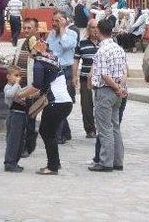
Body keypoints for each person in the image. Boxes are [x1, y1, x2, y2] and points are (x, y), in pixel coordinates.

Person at [18, 40, 73, 175]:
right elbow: (44, 86)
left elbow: (36, 86)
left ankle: (52, 166)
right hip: (65, 102)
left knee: (46, 132)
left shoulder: (38, 63)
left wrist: (20, 94)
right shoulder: (52, 59)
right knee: (50, 133)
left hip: (56, 103)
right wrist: (30, 95)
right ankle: (55, 163)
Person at [88, 19, 127, 172]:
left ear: (98, 31)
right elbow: (124, 71)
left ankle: (106, 162)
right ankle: (118, 160)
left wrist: (115, 87)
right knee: (115, 126)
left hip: (105, 90)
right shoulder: (119, 49)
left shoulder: (102, 51)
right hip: (117, 91)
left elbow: (104, 75)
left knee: (105, 128)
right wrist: (120, 87)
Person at [46, 10, 78, 144]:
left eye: (58, 20)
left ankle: (59, 134)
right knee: (55, 101)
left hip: (66, 71)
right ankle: (65, 132)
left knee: (63, 102)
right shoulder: (51, 34)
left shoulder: (72, 34)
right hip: (53, 69)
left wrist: (62, 29)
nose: (55, 23)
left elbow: (66, 45)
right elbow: (48, 50)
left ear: (65, 20)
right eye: (54, 20)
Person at [13, 18, 40, 156]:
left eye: (30, 28)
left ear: (36, 29)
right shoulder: (19, 43)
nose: (27, 30)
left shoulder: (40, 45)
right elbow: (15, 61)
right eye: (25, 28)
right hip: (19, 86)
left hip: (32, 87)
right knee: (19, 117)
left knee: (30, 118)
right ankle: (19, 144)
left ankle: (28, 146)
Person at [73, 19, 100, 138]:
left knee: (101, 105)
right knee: (86, 105)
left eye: (97, 27)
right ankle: (90, 129)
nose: (95, 30)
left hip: (102, 80)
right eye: (93, 27)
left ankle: (102, 127)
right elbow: (76, 60)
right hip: (85, 79)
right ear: (88, 29)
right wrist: (74, 76)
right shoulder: (82, 43)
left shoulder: (105, 43)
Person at [3, 66, 28, 172]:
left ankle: (15, 162)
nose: (18, 78)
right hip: (14, 114)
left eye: (19, 76)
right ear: (8, 76)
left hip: (21, 114)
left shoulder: (16, 86)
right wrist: (17, 84)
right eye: (16, 75)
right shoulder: (8, 86)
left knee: (19, 140)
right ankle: (9, 163)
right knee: (13, 139)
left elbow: (21, 93)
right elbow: (11, 94)